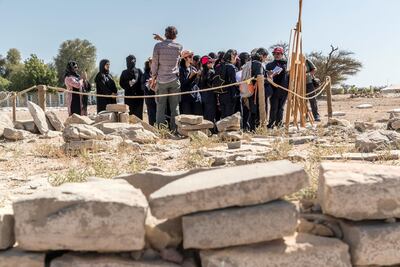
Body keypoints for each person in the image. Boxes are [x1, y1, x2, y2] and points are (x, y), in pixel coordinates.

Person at [151, 26, 183, 131]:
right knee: (175, 107)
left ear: (165, 34)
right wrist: (163, 40)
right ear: (176, 35)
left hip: (162, 80)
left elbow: (155, 63)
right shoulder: (179, 47)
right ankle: (175, 130)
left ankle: (161, 131)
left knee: (160, 108)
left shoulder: (158, 46)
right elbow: (170, 45)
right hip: (174, 79)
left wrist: (153, 77)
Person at [245, 48, 270, 131]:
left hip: (248, 88)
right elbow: (259, 77)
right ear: (262, 56)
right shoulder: (259, 64)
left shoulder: (249, 63)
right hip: (257, 90)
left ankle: (251, 128)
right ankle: (256, 128)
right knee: (257, 109)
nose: (265, 58)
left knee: (251, 108)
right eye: (265, 56)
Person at [266, 47, 289, 128]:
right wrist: (270, 73)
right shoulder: (269, 65)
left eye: (278, 53)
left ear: (282, 54)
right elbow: (267, 76)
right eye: (275, 53)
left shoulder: (287, 64)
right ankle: (271, 124)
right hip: (274, 89)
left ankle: (279, 124)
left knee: (281, 108)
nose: (276, 55)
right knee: (273, 107)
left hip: (284, 89)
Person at [214, 49, 239, 119]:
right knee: (230, 117)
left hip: (221, 94)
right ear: (232, 56)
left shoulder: (218, 66)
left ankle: (222, 130)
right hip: (230, 94)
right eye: (235, 56)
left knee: (223, 116)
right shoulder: (231, 67)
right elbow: (234, 82)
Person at [179, 50, 202, 115]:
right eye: (190, 56)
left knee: (198, 119)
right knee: (187, 121)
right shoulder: (180, 69)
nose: (192, 58)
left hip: (196, 97)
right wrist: (190, 77)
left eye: (192, 56)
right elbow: (182, 85)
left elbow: (196, 84)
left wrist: (197, 77)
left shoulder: (193, 68)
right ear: (185, 58)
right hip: (186, 99)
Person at [199, 55, 216, 125]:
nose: (212, 63)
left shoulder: (202, 72)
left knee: (206, 113)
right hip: (210, 95)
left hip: (203, 95)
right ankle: (210, 130)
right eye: (210, 62)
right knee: (211, 113)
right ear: (207, 63)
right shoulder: (211, 72)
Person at [141, 58, 157, 126]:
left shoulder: (159, 73)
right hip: (150, 99)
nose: (152, 64)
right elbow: (142, 87)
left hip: (159, 98)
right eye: (151, 62)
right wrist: (149, 83)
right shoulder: (145, 75)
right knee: (151, 116)